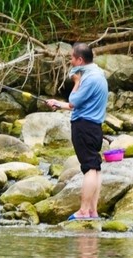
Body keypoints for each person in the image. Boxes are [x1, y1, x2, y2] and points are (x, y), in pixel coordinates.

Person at [45, 43, 108, 220]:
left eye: (72, 57)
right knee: (95, 168)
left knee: (88, 169)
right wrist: (57, 104)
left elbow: (73, 99)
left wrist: (76, 82)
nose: (70, 61)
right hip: (95, 126)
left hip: (83, 127)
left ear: (80, 60)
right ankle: (92, 212)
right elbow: (77, 105)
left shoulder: (88, 78)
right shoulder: (98, 73)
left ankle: (83, 211)